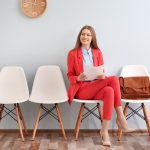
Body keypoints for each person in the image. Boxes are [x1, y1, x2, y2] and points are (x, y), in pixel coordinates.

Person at [67, 25, 134, 146]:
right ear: (79, 36)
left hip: (96, 86)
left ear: (92, 38)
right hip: (82, 89)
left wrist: (101, 76)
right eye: (83, 34)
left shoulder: (97, 52)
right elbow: (69, 75)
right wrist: (78, 77)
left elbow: (101, 71)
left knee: (109, 90)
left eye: (88, 34)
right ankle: (120, 117)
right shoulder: (72, 54)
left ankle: (104, 131)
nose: (85, 36)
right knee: (113, 79)